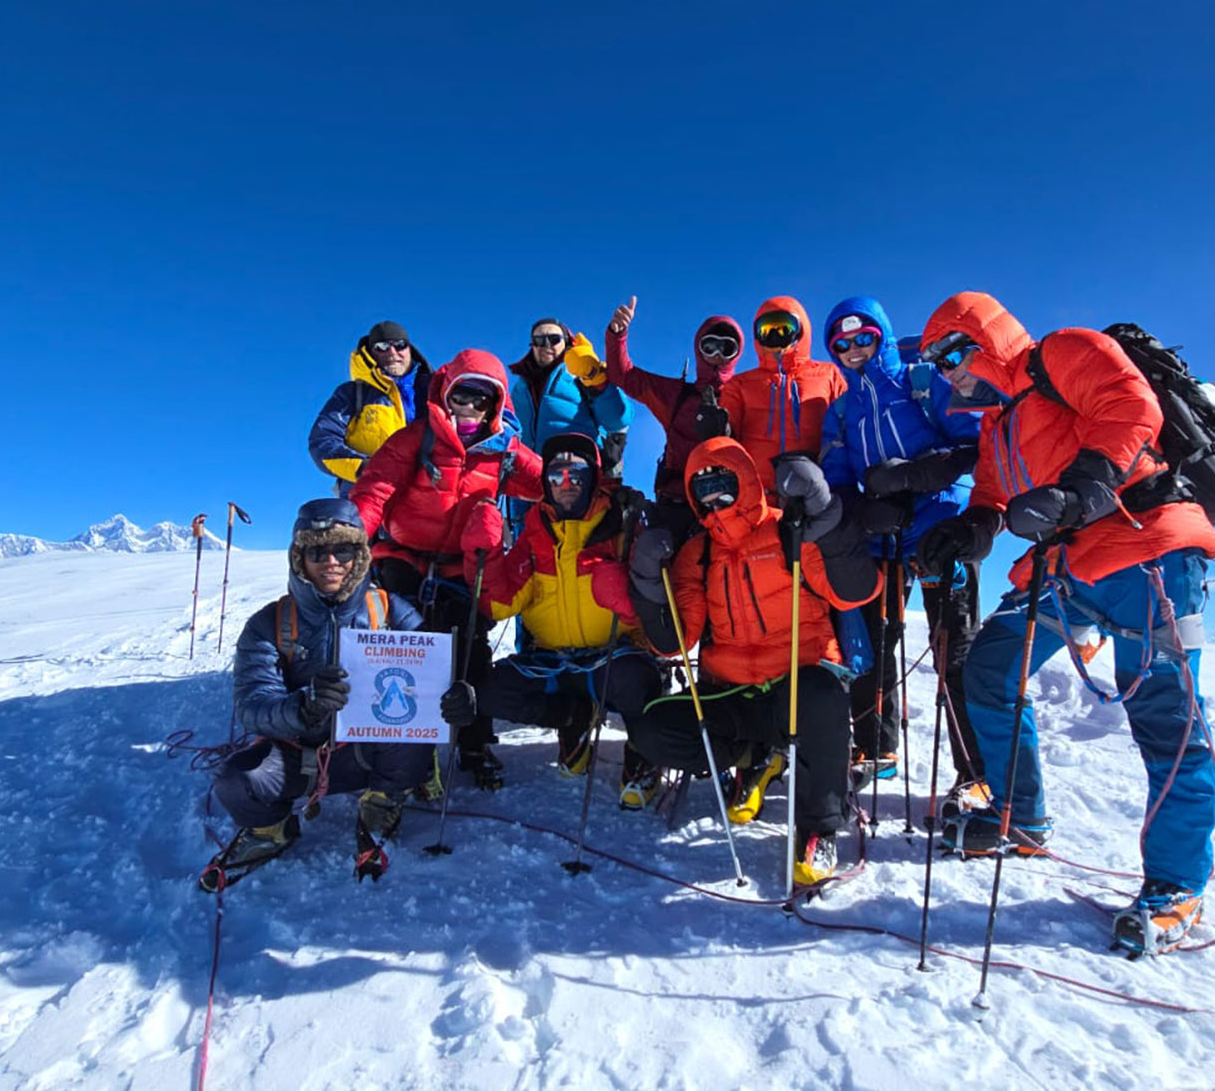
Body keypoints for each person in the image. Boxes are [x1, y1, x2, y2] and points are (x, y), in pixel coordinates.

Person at [915, 292, 1215, 956]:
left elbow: (1130, 406)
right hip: (1067, 571)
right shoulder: (997, 425)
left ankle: (1177, 887)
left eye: (950, 355)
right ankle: (1018, 818)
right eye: (937, 366)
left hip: (1150, 551)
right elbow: (995, 499)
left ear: (981, 339)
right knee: (990, 668)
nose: (947, 374)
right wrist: (967, 530)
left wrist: (1083, 487)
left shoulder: (1064, 352)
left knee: (1166, 719)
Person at [625, 437, 882, 885]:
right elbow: (675, 642)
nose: (713, 500)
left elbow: (856, 591)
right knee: (652, 727)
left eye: (722, 484)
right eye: (701, 492)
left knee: (822, 697)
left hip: (798, 683)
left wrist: (829, 520)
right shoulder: (697, 553)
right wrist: (647, 581)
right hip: (731, 691)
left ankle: (819, 826)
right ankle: (753, 754)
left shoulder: (791, 530)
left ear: (744, 479)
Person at [202, 499, 434, 888]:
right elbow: (253, 705)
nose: (331, 561)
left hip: (368, 751)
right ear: (299, 559)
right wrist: (303, 706)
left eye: (343, 549)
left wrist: (453, 700)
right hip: (297, 756)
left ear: (359, 556)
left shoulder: (392, 611)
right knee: (235, 779)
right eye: (317, 550)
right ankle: (270, 828)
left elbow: (427, 684)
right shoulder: (268, 624)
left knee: (414, 740)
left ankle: (382, 802)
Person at [817, 297, 986, 797]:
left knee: (953, 651)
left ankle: (977, 774)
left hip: (941, 529)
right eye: (841, 344)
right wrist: (865, 509)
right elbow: (839, 480)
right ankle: (875, 747)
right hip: (885, 537)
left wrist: (913, 479)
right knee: (872, 644)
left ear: (882, 336)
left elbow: (974, 443)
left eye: (863, 338)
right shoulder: (842, 412)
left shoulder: (925, 381)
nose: (853, 350)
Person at [349, 348, 541, 787]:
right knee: (403, 644)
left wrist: (599, 489)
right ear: (446, 393)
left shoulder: (504, 451)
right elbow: (374, 490)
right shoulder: (417, 439)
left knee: (469, 649)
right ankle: (400, 745)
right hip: (402, 557)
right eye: (463, 395)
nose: (471, 407)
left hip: (461, 564)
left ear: (496, 405)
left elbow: (551, 483)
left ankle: (473, 743)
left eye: (482, 399)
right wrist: (350, 537)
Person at [442, 433, 662, 805]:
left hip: (613, 654)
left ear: (592, 477)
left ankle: (642, 757)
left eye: (576, 475)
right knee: (491, 692)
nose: (565, 484)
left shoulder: (622, 522)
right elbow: (499, 605)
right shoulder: (534, 532)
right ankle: (574, 718)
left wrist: (628, 600)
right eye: (556, 475)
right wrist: (484, 553)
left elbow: (662, 608)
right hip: (554, 662)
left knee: (638, 681)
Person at [603, 295, 744, 544]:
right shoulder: (677, 396)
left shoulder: (745, 396)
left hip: (731, 508)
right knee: (661, 571)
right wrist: (618, 335)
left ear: (736, 355)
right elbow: (623, 376)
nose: (717, 355)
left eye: (727, 347)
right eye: (709, 346)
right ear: (698, 349)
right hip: (676, 509)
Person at [707, 297, 846, 495]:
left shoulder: (829, 375)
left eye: (784, 328)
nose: (775, 335)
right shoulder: (740, 384)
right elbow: (727, 438)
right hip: (759, 496)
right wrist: (717, 428)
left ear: (800, 330)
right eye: (767, 329)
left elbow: (848, 427)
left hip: (818, 491)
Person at [308, 320, 433, 498]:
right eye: (382, 346)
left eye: (400, 345)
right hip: (367, 495)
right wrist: (365, 467)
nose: (392, 352)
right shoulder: (353, 393)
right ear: (371, 352)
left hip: (423, 498)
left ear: (409, 349)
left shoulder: (434, 392)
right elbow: (323, 441)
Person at [508, 316, 634, 480]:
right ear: (532, 346)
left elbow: (618, 419)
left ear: (566, 342)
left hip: (576, 479)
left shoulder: (583, 373)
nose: (546, 345)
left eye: (554, 339)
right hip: (526, 481)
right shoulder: (520, 387)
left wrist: (597, 380)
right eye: (539, 340)